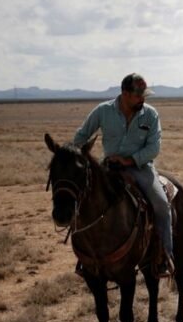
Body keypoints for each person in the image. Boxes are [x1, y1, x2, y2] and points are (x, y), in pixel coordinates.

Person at [72, 73, 173, 277]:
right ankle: (84, 258)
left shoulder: (150, 115)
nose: (142, 99)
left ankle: (163, 255)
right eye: (138, 96)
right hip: (107, 168)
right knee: (83, 202)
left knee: (161, 204)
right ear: (125, 94)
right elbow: (81, 136)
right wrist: (77, 155)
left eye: (144, 96)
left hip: (140, 168)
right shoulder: (103, 111)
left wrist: (129, 160)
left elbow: (154, 147)